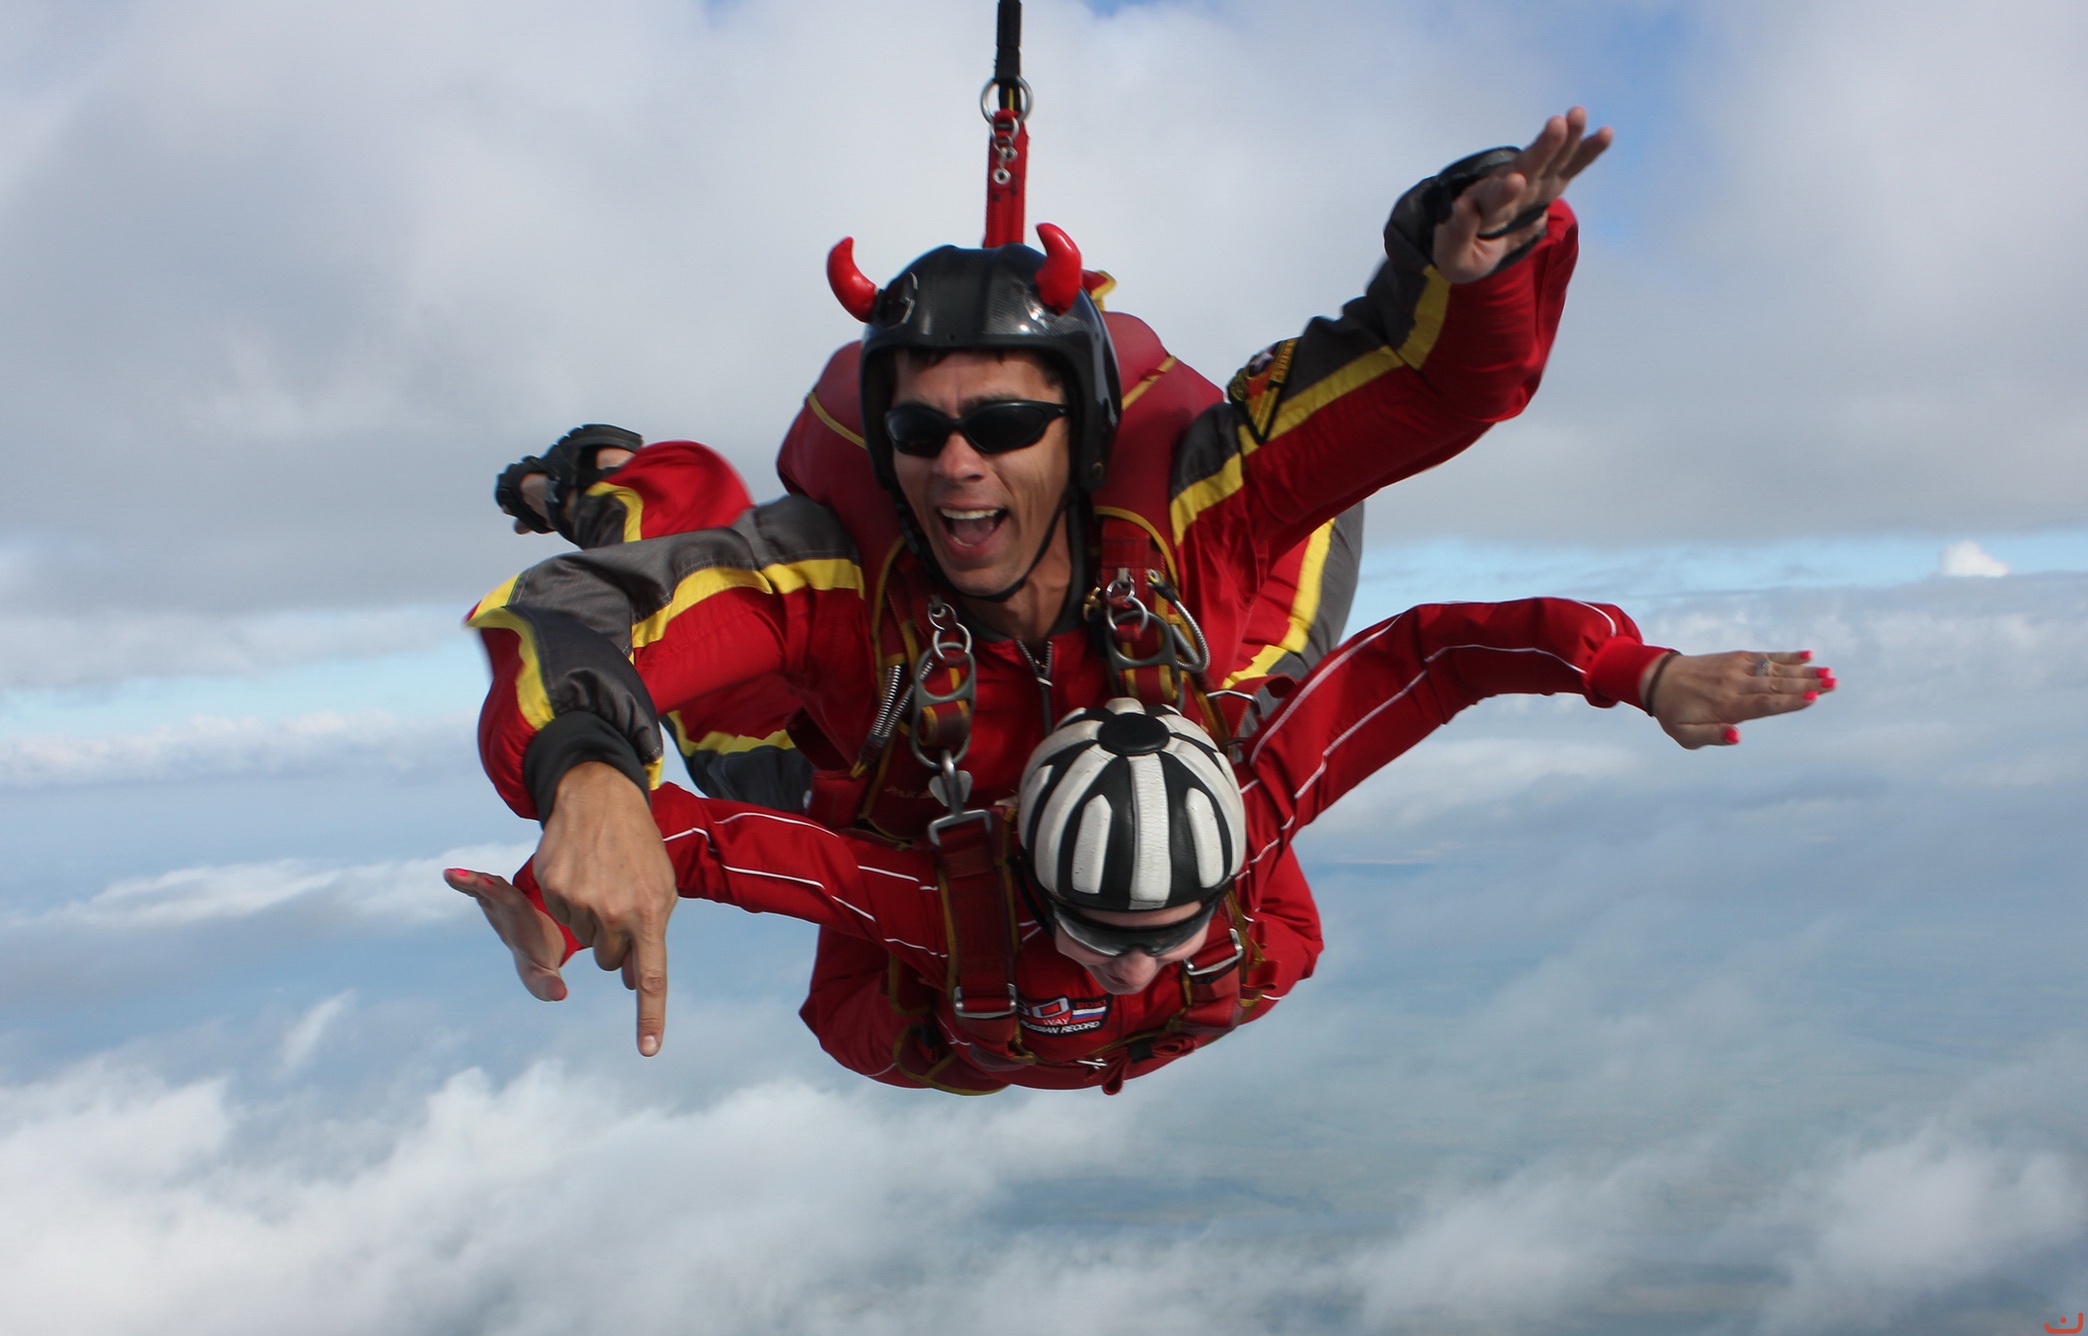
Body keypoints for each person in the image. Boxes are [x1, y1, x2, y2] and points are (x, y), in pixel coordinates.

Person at [464, 110, 1613, 1060]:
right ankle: (606, 483)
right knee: (697, 633)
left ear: (1084, 431)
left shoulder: (1193, 514)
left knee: (1309, 502)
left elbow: (1416, 385)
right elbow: (575, 613)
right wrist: (590, 776)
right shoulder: (827, 580)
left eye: (1008, 422)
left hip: (1174, 678)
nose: (959, 464)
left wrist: (1473, 265)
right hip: (874, 780)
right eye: (918, 432)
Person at [450, 596, 1833, 1093]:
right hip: (925, 988)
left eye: (1169, 930)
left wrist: (1637, 672)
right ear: (1033, 882)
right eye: (1099, 935)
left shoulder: (1252, 811)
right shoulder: (941, 906)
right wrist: (553, 899)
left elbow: (1429, 658)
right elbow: (701, 842)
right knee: (777, 748)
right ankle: (635, 507)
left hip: (1010, 991)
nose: (1130, 968)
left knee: (1281, 609)